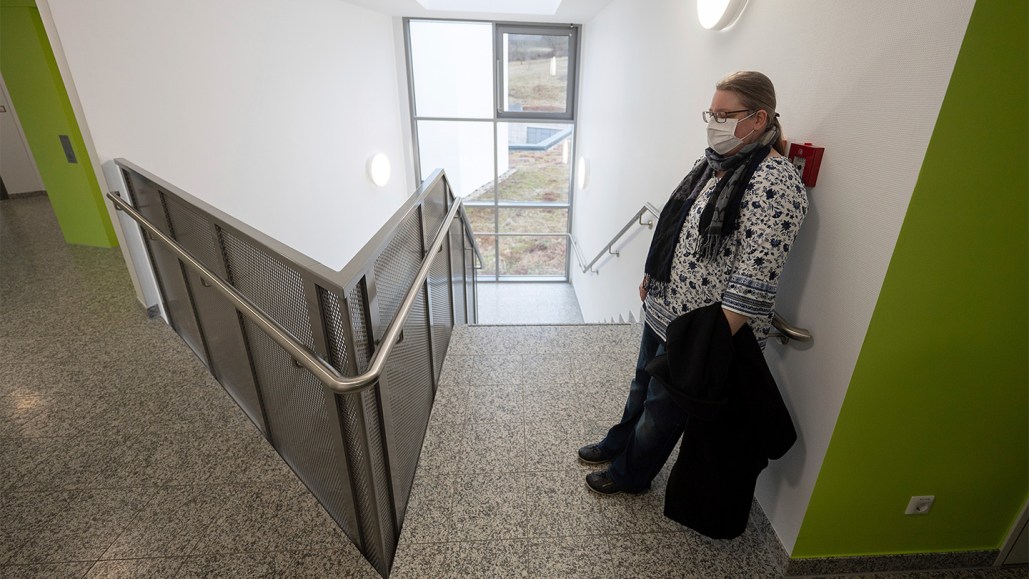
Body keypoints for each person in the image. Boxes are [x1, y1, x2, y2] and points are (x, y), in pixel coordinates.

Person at [578, 71, 808, 495]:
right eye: (711, 112)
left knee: (662, 410)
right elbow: (676, 221)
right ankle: (619, 443)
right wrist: (652, 273)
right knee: (641, 386)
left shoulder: (775, 182)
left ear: (759, 119)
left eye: (725, 114)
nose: (713, 122)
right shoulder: (711, 164)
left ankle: (631, 475)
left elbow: (756, 276)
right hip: (665, 306)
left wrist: (710, 341)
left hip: (700, 330)